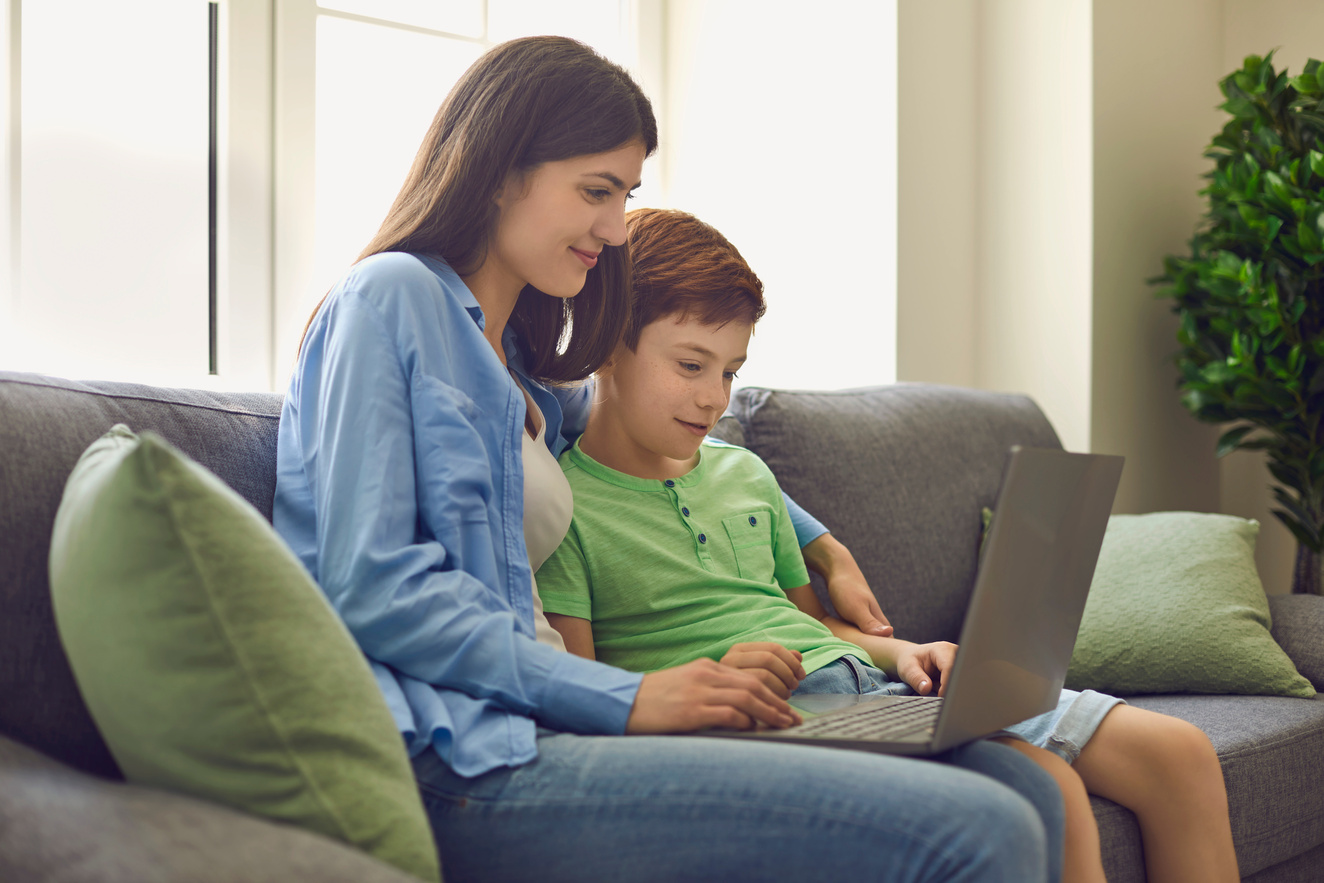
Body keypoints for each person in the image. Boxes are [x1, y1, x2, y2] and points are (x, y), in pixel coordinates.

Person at [275, 35, 1065, 882]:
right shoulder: (390, 297)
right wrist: (633, 695)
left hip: (550, 725)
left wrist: (820, 543)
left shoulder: (528, 378)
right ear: (501, 170)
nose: (615, 230)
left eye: (626, 196)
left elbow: (669, 448)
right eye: (596, 192)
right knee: (982, 828)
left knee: (1024, 784)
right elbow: (372, 586)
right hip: (463, 752)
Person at [534, 206, 1241, 883]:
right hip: (769, 723)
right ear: (604, 346)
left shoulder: (746, 473)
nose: (714, 398)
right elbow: (594, 698)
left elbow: (813, 624)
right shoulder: (567, 505)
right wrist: (711, 677)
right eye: (691, 365)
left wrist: (906, 651)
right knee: (1048, 789)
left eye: (730, 371)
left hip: (872, 689)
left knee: (1172, 750)